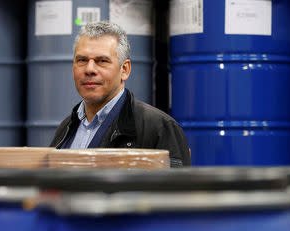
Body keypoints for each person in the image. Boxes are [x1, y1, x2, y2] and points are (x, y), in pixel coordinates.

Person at [50, 21, 191, 167]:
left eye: (102, 61)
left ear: (124, 70)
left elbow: (175, 189)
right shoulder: (66, 128)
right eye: (82, 60)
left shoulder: (160, 128)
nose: (89, 69)